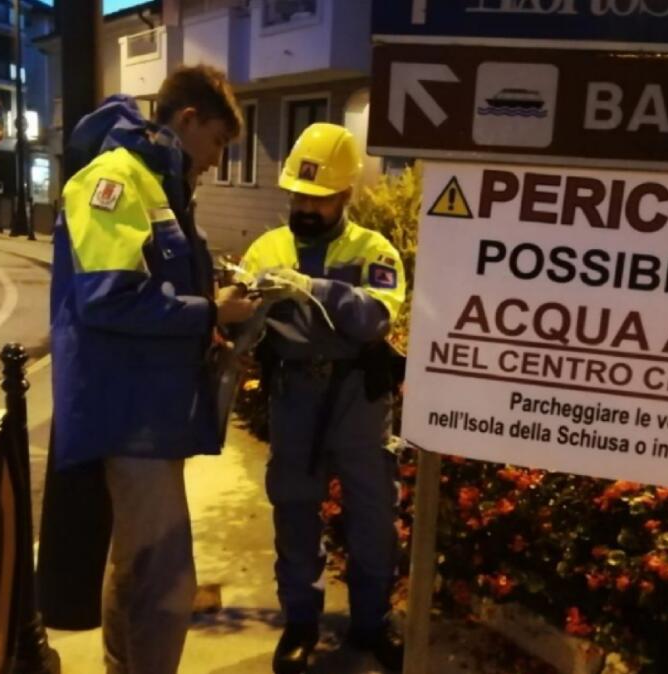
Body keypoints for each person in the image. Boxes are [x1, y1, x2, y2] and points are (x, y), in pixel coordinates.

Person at [49, 65, 258, 674]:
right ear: (186, 119)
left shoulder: (161, 184)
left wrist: (213, 298)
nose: (218, 161)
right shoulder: (115, 180)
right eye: (218, 142)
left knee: (137, 566)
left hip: (150, 408)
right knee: (164, 579)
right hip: (128, 412)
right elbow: (109, 296)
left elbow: (153, 280)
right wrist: (210, 310)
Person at [240, 123, 407, 674]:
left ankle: (369, 624)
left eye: (318, 199)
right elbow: (246, 322)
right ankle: (301, 623)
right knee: (294, 512)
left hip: (357, 399)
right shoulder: (268, 248)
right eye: (298, 196)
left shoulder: (372, 251)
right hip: (294, 397)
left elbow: (374, 320)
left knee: (371, 517)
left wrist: (312, 290)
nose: (305, 207)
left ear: (345, 195)